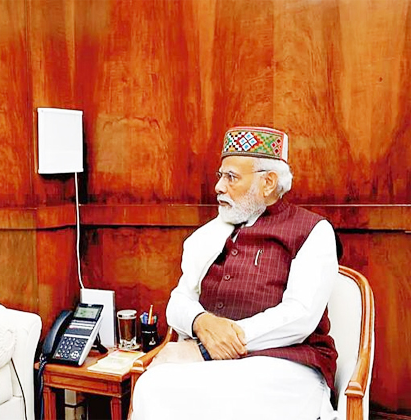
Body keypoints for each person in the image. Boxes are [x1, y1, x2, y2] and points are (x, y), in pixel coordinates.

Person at [131, 126, 338, 420]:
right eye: (220, 176)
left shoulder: (313, 231)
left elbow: (300, 317)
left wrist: (214, 345)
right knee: (152, 385)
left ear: (268, 183)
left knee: (220, 394)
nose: (218, 186)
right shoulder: (212, 233)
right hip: (217, 363)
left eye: (231, 177)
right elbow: (178, 301)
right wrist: (200, 322)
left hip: (287, 364)